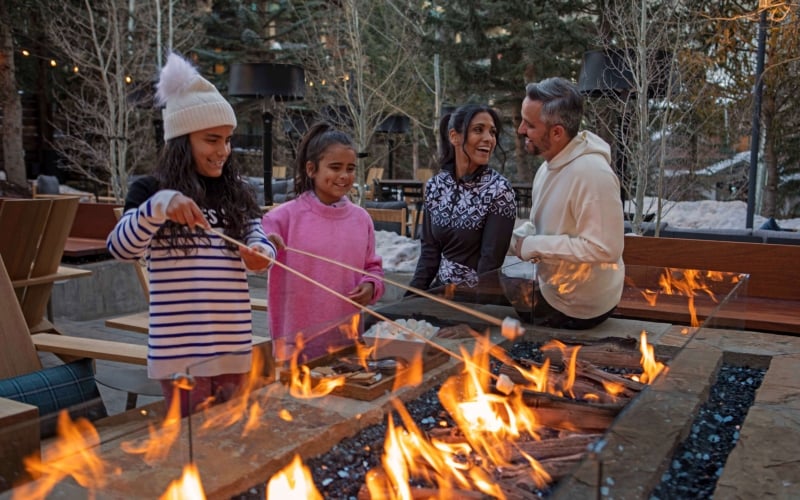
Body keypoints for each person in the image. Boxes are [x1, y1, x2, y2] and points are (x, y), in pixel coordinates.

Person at [107, 53, 277, 416]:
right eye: (212, 140)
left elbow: (258, 236)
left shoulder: (235, 191)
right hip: (179, 352)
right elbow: (120, 248)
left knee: (234, 443)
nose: (223, 151)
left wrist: (260, 253)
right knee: (194, 451)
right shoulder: (149, 191)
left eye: (227, 140)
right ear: (183, 142)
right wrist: (159, 206)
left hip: (232, 344)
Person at [262, 122, 385, 362]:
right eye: (335, 167)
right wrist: (261, 248)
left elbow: (373, 268)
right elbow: (256, 254)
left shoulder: (361, 219)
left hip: (347, 343)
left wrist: (371, 286)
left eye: (350, 168)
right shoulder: (281, 218)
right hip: (295, 346)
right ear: (311, 169)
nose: (344, 176)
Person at [513, 76, 625, 329]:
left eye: (529, 124)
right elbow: (543, 227)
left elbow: (606, 249)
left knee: (497, 327)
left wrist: (533, 245)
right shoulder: (549, 165)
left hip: (583, 308)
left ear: (557, 132)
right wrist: (508, 240)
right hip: (555, 291)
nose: (520, 130)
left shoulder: (592, 174)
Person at [408, 104, 517, 292]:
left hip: (478, 298)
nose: (489, 139)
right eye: (478, 130)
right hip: (441, 292)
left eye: (492, 132)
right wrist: (409, 298)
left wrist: (468, 314)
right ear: (454, 137)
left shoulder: (499, 191)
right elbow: (429, 254)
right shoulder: (436, 186)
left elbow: (490, 264)